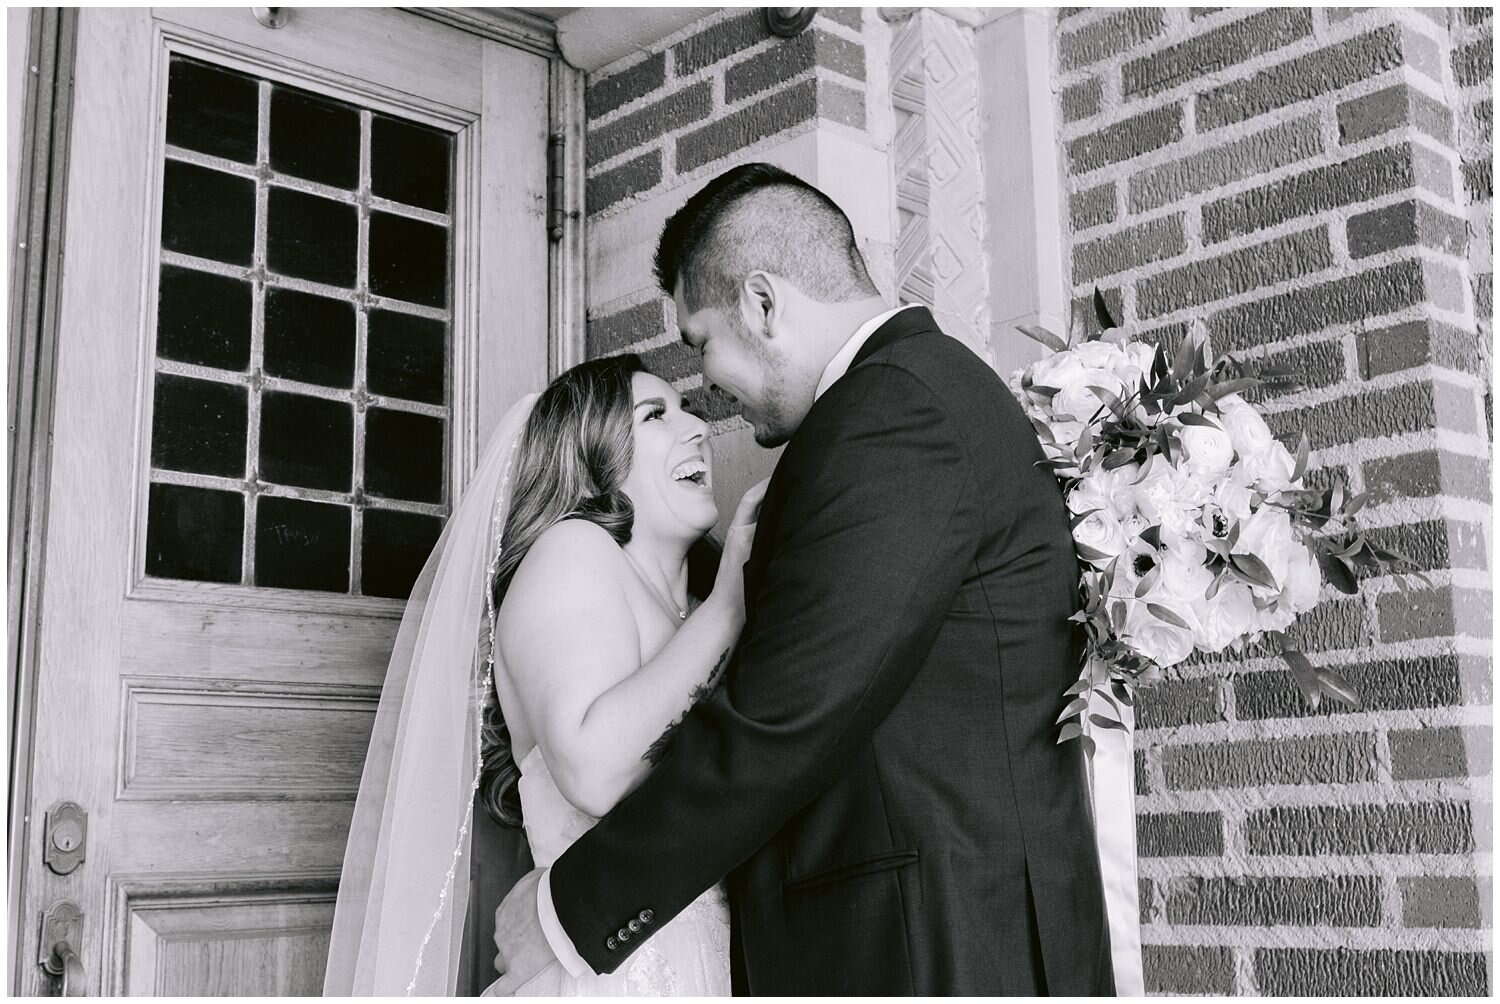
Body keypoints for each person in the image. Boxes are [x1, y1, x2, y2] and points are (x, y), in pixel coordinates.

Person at [490, 163, 1115, 995]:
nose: (706, 393)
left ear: (762, 303)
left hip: (938, 942)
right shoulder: (909, 397)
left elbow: (788, 714)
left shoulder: (892, 413)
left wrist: (572, 913)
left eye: (701, 345)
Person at [324, 353, 762, 995]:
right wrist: (729, 609)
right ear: (588, 457)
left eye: (688, 409)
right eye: (655, 414)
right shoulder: (572, 550)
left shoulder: (691, 605)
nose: (696, 426)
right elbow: (593, 768)